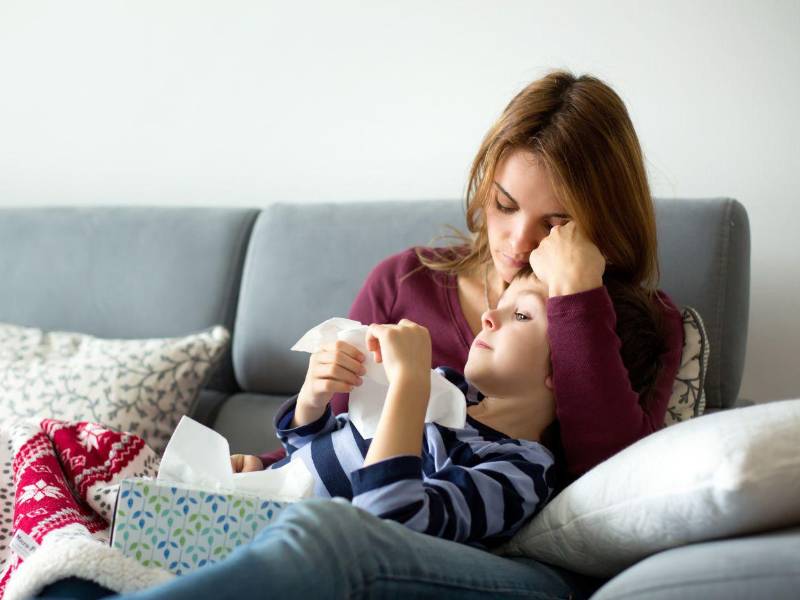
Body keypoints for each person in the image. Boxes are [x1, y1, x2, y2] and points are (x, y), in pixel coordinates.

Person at [36, 70, 684, 599]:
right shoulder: (406, 284)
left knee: (329, 535)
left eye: (555, 222)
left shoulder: (632, 324)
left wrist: (578, 301)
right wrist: (260, 470)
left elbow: (610, 482)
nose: (517, 243)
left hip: (494, 556)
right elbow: (341, 452)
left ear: (593, 224)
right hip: (335, 523)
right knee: (94, 511)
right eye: (505, 206)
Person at [234, 269, 558, 546]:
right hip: (248, 508)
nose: (488, 316)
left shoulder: (523, 470)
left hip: (287, 545)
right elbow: (322, 454)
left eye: (521, 315)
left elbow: (387, 522)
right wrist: (312, 400)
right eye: (499, 305)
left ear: (564, 366)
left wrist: (409, 383)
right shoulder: (449, 388)